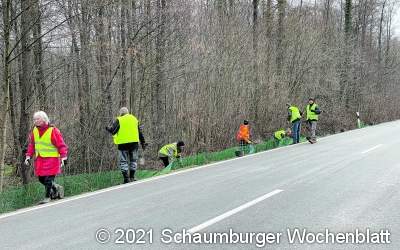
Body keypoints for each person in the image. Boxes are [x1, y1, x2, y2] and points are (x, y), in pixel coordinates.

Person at [24, 111, 68, 204]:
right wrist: (28, 156)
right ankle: (56, 187)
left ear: (44, 119)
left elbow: (61, 145)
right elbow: (32, 145)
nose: (35, 121)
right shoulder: (35, 131)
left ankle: (47, 197)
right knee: (41, 179)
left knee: (48, 179)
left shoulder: (53, 130)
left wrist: (64, 157)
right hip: (40, 159)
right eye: (34, 119)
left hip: (52, 159)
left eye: (38, 119)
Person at [106, 107, 146, 183]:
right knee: (133, 160)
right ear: (128, 112)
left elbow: (113, 131)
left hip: (123, 145)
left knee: (123, 161)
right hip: (134, 144)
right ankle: (132, 177)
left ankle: (126, 179)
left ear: (120, 113)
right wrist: (143, 142)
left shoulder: (119, 120)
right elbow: (139, 132)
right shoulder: (134, 119)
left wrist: (108, 128)